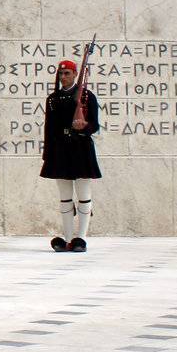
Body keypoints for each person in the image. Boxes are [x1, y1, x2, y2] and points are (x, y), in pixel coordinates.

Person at [42, 59, 102, 253]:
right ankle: (68, 238)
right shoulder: (53, 99)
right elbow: (49, 129)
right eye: (61, 74)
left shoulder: (86, 96)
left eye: (67, 73)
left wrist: (84, 128)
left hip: (80, 148)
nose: (64, 77)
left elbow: (95, 126)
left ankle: (81, 238)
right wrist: (48, 154)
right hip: (60, 149)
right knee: (65, 196)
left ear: (75, 74)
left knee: (83, 195)